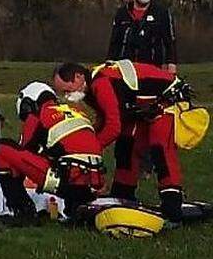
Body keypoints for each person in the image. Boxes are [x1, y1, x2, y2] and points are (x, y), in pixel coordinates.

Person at [54, 59, 189, 222]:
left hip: (167, 100)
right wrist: (86, 140)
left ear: (78, 76)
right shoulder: (90, 88)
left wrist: (91, 150)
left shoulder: (101, 83)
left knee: (160, 149)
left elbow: (113, 126)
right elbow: (105, 118)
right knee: (126, 146)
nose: (67, 96)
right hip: (141, 107)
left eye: (67, 90)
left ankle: (172, 206)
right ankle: (123, 194)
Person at [0, 81, 105, 220]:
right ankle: (74, 209)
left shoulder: (38, 116)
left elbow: (23, 153)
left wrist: (12, 183)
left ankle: (22, 211)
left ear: (29, 103)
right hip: (94, 181)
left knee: (3, 148)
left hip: (68, 179)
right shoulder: (75, 112)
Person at [108, 0, 177, 73]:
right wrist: (110, 61)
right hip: (126, 67)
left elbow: (169, 41)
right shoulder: (122, 14)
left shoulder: (161, 13)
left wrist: (171, 63)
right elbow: (115, 41)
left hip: (153, 66)